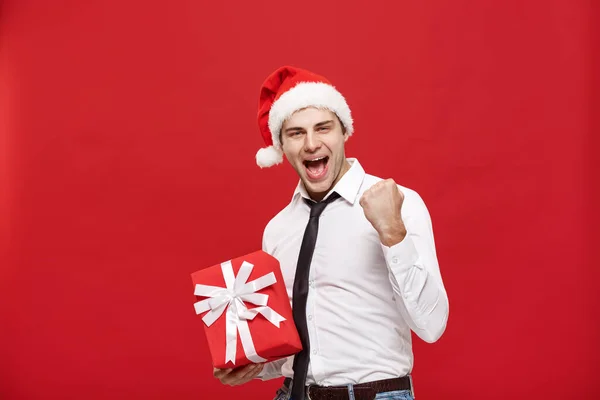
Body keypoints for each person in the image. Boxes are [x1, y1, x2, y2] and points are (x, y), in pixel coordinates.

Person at [213, 66, 449, 400]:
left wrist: (393, 233)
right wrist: (250, 362)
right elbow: (295, 342)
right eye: (296, 133)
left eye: (323, 128)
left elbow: (432, 325)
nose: (311, 144)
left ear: (343, 133)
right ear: (282, 145)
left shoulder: (400, 203)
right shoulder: (278, 229)